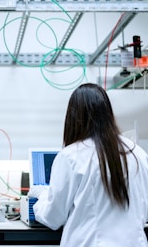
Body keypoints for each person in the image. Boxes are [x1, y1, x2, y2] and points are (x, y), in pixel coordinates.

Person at [32, 83, 148, 247]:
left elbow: (53, 217)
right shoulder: (137, 152)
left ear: (73, 117)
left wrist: (42, 196)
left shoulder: (71, 156)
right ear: (108, 113)